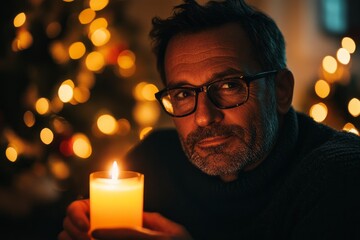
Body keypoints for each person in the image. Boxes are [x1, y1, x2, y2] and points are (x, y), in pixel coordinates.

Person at [58, 0, 360, 239]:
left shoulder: (341, 176)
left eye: (229, 86)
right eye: (183, 94)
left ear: (281, 90)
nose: (203, 117)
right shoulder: (151, 160)